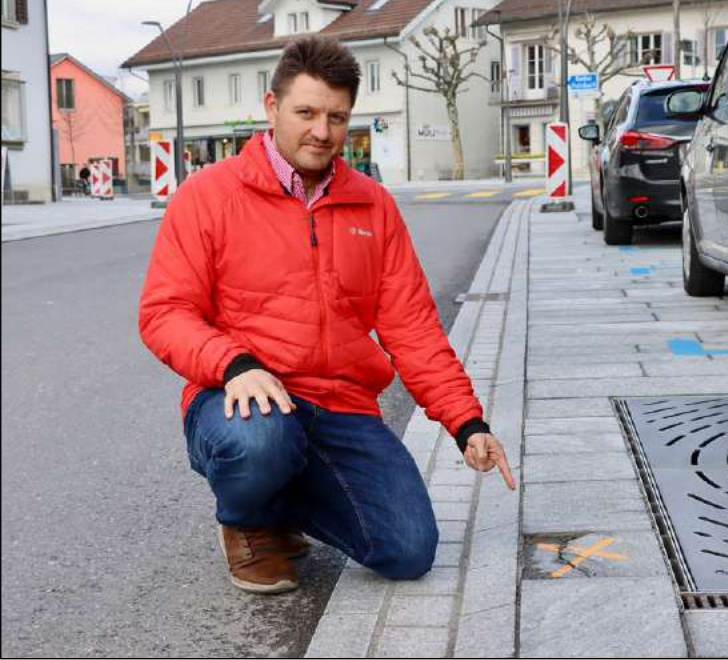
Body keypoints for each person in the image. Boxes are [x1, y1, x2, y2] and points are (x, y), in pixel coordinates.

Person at [138, 36, 515, 595]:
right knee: (261, 441)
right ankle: (249, 522)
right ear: (272, 108)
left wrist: (467, 422)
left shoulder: (371, 204)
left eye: (336, 117)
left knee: (408, 548)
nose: (321, 131)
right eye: (306, 112)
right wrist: (234, 364)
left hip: (340, 405)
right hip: (244, 399)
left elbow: (411, 327)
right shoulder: (209, 195)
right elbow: (165, 311)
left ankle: (282, 501)